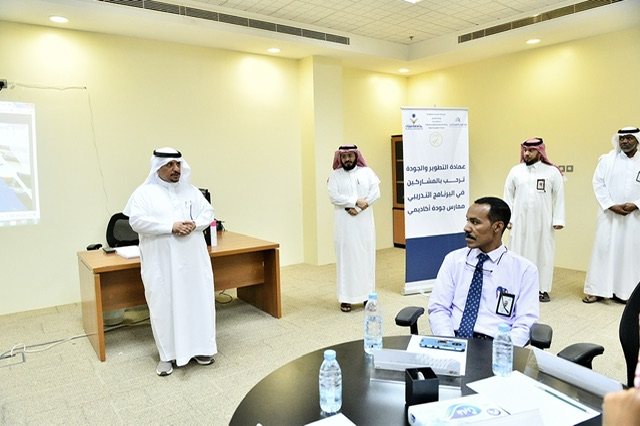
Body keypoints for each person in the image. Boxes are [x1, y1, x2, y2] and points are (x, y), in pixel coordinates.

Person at [124, 147, 217, 376]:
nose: (176, 169)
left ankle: (201, 349)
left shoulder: (191, 190)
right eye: (170, 165)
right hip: (162, 264)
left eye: (178, 164)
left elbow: (208, 212)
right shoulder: (143, 193)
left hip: (192, 262)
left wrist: (195, 224)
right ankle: (166, 356)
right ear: (158, 167)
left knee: (197, 301)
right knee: (163, 305)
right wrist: (170, 226)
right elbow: (136, 221)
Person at [428, 197, 539, 347]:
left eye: (475, 222)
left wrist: (502, 350)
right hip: (453, 338)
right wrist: (449, 344)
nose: (466, 228)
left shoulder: (524, 270)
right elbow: (438, 308)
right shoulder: (453, 260)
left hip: (495, 344)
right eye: (467, 220)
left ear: (497, 227)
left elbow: (525, 322)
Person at [504, 137, 565, 303]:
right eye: (525, 150)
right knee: (517, 252)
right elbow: (507, 195)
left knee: (543, 254)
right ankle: (516, 287)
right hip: (519, 221)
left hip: (543, 222)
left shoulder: (552, 172)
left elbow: (559, 196)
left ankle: (541, 289)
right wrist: (507, 217)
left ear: (540, 152)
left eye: (531, 150)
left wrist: (558, 219)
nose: (527, 153)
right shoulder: (515, 171)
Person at [583, 126, 640, 304]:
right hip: (609, 214)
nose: (625, 141)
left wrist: (636, 204)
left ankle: (626, 293)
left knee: (629, 253)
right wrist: (610, 205)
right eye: (622, 138)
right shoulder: (607, 160)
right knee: (603, 250)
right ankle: (597, 290)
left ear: (637, 140)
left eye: (629, 138)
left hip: (634, 216)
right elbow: (597, 183)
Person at [327, 145, 381, 313]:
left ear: (356, 156)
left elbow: (376, 193)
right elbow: (334, 197)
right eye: (344, 157)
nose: (347, 159)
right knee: (346, 260)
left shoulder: (367, 172)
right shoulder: (335, 176)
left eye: (350, 156)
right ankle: (346, 298)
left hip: (364, 226)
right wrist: (355, 201)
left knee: (366, 260)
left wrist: (358, 208)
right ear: (340, 158)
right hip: (344, 227)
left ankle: (367, 297)